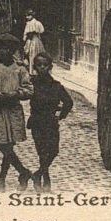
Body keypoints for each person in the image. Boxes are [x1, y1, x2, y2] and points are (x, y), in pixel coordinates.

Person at [0, 33, 35, 191]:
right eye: (3, 49)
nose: (6, 52)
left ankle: (2, 180)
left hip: (14, 111)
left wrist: (16, 93)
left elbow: (29, 89)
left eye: (9, 49)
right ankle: (23, 172)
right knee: (1, 144)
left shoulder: (20, 70)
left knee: (8, 145)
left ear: (14, 50)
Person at [28, 52, 73, 192]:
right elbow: (21, 94)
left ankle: (38, 174)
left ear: (50, 67)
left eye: (45, 65)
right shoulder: (31, 84)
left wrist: (61, 116)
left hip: (51, 121)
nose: (42, 67)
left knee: (53, 151)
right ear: (35, 67)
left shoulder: (56, 86)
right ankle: (45, 178)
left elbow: (68, 102)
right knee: (42, 151)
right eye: (39, 65)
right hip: (36, 121)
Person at [22, 8, 46, 73]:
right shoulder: (38, 23)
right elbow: (42, 31)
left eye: (28, 16)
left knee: (32, 55)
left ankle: (32, 71)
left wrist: (24, 39)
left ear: (31, 16)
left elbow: (25, 34)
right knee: (37, 55)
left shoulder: (29, 24)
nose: (27, 17)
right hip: (37, 41)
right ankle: (38, 71)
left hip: (31, 41)